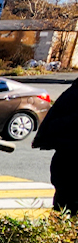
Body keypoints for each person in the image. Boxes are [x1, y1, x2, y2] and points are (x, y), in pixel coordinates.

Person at [33, 80, 78, 213]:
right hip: (70, 164)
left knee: (64, 204)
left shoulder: (71, 94)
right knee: (66, 203)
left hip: (66, 162)